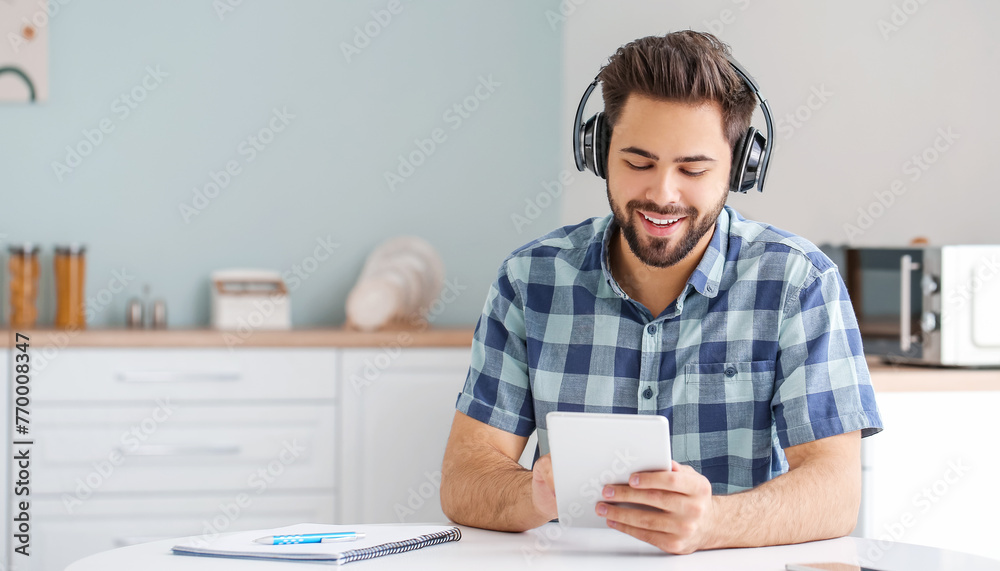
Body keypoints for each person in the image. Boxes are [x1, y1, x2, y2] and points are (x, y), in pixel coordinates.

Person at [440, 30, 882, 555]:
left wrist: (711, 523)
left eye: (693, 169)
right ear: (598, 152)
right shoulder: (530, 281)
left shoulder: (799, 283)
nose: (662, 194)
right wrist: (533, 493)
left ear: (740, 168)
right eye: (638, 163)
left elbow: (835, 492)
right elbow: (463, 479)